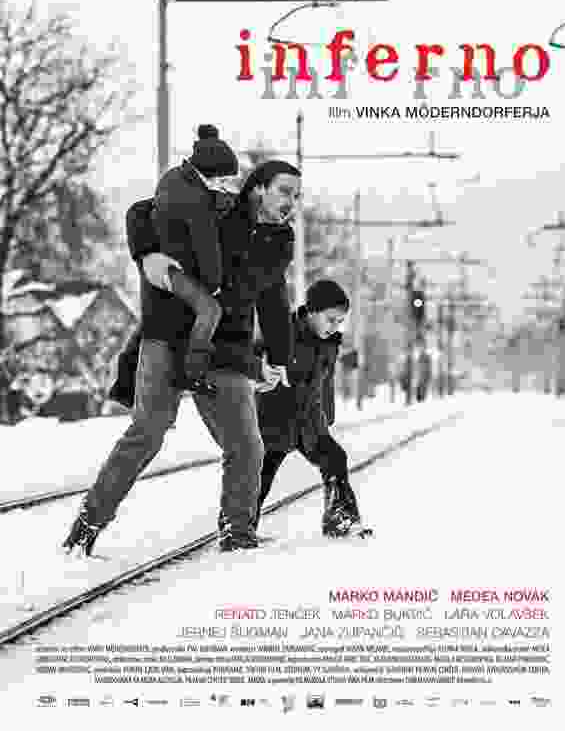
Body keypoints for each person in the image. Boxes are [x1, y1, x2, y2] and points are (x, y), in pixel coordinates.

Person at [63, 159, 300, 556]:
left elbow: (274, 299)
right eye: (285, 191)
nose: (291, 202)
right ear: (259, 187)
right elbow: (142, 210)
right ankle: (87, 526)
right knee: (147, 432)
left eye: (296, 195)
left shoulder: (279, 241)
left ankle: (238, 533)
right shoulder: (219, 208)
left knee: (246, 445)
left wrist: (279, 357)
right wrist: (146, 254)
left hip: (225, 349)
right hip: (172, 336)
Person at [110, 123, 239, 404]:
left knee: (158, 322)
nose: (223, 186)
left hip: (167, 267)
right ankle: (191, 373)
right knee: (209, 310)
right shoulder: (196, 201)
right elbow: (206, 246)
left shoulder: (174, 179)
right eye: (222, 180)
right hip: (178, 269)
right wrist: (213, 284)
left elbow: (147, 208)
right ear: (209, 173)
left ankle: (125, 382)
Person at [254, 279, 372, 538]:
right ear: (311, 311)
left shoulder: (330, 343)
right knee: (260, 478)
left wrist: (327, 415)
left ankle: (340, 519)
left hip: (309, 420)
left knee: (335, 458)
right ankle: (240, 528)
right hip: (273, 419)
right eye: (331, 320)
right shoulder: (280, 331)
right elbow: (254, 356)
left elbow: (325, 381)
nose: (335, 326)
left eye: (340, 321)